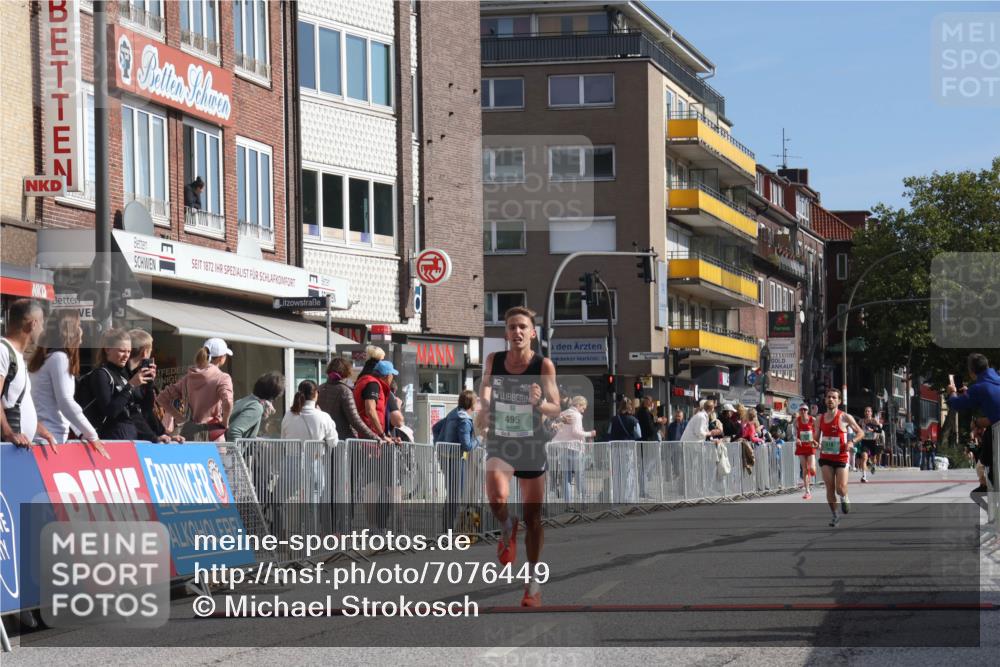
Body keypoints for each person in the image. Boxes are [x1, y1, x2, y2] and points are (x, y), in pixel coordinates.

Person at [476, 305, 561, 608]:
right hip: (501, 440)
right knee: (497, 496)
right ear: (506, 333)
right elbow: (485, 388)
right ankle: (506, 525)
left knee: (533, 518)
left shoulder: (543, 365)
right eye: (512, 327)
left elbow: (556, 407)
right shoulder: (494, 360)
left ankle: (533, 581)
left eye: (522, 327)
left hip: (531, 443)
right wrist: (485, 408)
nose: (517, 332)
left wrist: (539, 404)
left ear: (532, 333)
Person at [27, 309, 106, 455]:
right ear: (71, 331)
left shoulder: (45, 358)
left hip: (44, 437)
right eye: (79, 325)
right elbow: (65, 402)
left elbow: (60, 404)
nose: (82, 330)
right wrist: (92, 435)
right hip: (50, 440)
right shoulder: (59, 358)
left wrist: (81, 432)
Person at [1, 299, 57, 451]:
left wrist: (38, 428)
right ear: (33, 324)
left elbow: (13, 400)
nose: (43, 329)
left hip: (19, 448)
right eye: (42, 324)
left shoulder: (17, 355)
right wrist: (8, 433)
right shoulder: (3, 351)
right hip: (8, 449)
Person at [83, 328, 154, 440]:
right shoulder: (101, 374)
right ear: (108, 350)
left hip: (131, 438)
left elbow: (143, 411)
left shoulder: (125, 374)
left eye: (129, 352)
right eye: (122, 351)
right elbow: (110, 411)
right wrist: (130, 386)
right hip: (109, 439)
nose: (126, 356)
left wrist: (149, 385)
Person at [157, 337, 234, 441]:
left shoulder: (188, 378)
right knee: (217, 452)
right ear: (221, 358)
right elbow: (228, 402)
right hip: (213, 434)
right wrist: (225, 422)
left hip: (189, 433)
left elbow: (161, 398)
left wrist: (180, 419)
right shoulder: (223, 378)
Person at [947, 353, 1000, 490]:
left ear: (971, 372)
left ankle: (988, 486)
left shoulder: (979, 388)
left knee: (990, 466)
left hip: (997, 432)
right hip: (994, 425)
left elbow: (956, 404)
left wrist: (952, 392)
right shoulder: (996, 379)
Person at [816, 388, 865, 527]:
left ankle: (844, 497)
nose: (830, 399)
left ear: (839, 401)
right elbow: (815, 438)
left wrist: (852, 442)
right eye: (828, 397)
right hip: (826, 457)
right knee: (829, 488)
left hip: (841, 457)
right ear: (825, 400)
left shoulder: (845, 417)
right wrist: (815, 443)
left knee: (841, 488)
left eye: (834, 397)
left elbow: (860, 432)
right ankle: (835, 515)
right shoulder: (819, 419)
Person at [434, 390, 481, 530]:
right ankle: (448, 530)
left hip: (445, 457)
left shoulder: (453, 414)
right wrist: (479, 439)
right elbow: (467, 446)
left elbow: (435, 428)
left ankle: (447, 528)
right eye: (476, 401)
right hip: (455, 459)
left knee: (452, 494)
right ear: (471, 403)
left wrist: (439, 444)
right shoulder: (464, 420)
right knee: (455, 495)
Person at [123, 329, 180, 443]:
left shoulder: (138, 374)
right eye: (150, 351)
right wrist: (154, 437)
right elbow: (134, 412)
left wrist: (164, 434)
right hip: (125, 438)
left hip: (135, 437)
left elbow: (147, 409)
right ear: (145, 352)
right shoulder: (124, 375)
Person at [317, 356, 381, 442]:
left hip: (324, 438)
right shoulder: (345, 391)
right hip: (344, 440)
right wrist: (376, 437)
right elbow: (355, 420)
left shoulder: (320, 388)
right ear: (346, 372)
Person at [550, 395, 596, 508]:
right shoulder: (577, 415)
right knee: (580, 476)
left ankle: (568, 504)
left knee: (566, 477)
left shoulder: (563, 413)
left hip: (563, 448)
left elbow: (558, 430)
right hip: (575, 448)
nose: (583, 410)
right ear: (578, 405)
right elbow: (576, 432)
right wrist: (590, 433)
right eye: (583, 408)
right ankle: (583, 502)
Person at [227, 372, 286, 441]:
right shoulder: (256, 407)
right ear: (273, 396)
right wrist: (238, 448)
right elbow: (234, 431)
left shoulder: (246, 400)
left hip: (217, 444)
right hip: (223, 447)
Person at [353, 359, 399, 442]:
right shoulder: (373, 384)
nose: (392, 378)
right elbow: (370, 411)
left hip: (368, 435)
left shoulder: (369, 382)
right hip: (369, 438)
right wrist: (382, 434)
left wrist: (386, 436)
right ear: (388, 376)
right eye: (392, 375)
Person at [793, 404, 817, 499]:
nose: (803, 411)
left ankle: (812, 472)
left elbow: (818, 431)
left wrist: (816, 440)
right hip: (801, 446)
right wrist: (797, 439)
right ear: (799, 411)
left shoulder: (813, 420)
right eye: (801, 410)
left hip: (810, 446)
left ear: (808, 411)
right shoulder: (796, 421)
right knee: (805, 469)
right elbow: (794, 433)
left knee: (811, 469)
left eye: (805, 409)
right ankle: (807, 491)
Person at [857, 406, 884, 483]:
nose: (867, 412)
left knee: (873, 459)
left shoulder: (874, 421)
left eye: (868, 411)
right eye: (866, 411)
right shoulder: (861, 421)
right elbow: (858, 430)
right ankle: (864, 476)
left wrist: (872, 430)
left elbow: (880, 430)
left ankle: (873, 465)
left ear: (871, 413)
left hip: (873, 441)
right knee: (864, 457)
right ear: (864, 413)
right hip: (865, 441)